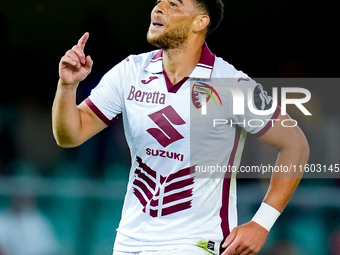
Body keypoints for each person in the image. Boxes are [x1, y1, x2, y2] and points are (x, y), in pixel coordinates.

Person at [52, 0, 309, 254]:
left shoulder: (232, 84)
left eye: (173, 4)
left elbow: (295, 144)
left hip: (196, 243)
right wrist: (67, 87)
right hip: (129, 242)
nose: (158, 8)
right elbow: (70, 135)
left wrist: (262, 223)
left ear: (200, 22)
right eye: (158, 2)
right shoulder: (129, 71)